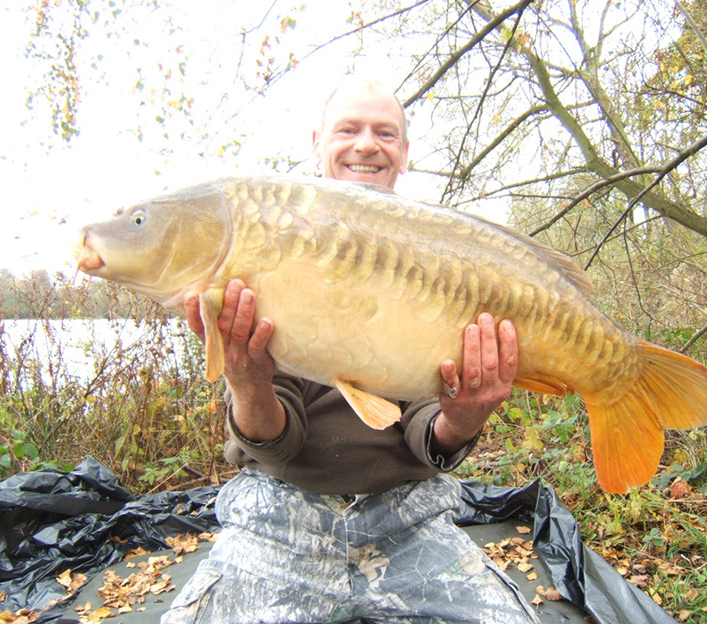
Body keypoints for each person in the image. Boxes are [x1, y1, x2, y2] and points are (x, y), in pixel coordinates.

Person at [163, 78, 540, 624]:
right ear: (319, 144)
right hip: (281, 509)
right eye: (349, 129)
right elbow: (277, 444)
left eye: (385, 133)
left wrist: (461, 421)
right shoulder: (273, 236)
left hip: (408, 511)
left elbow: (424, 431)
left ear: (404, 154)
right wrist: (248, 383)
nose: (367, 144)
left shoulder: (437, 255)